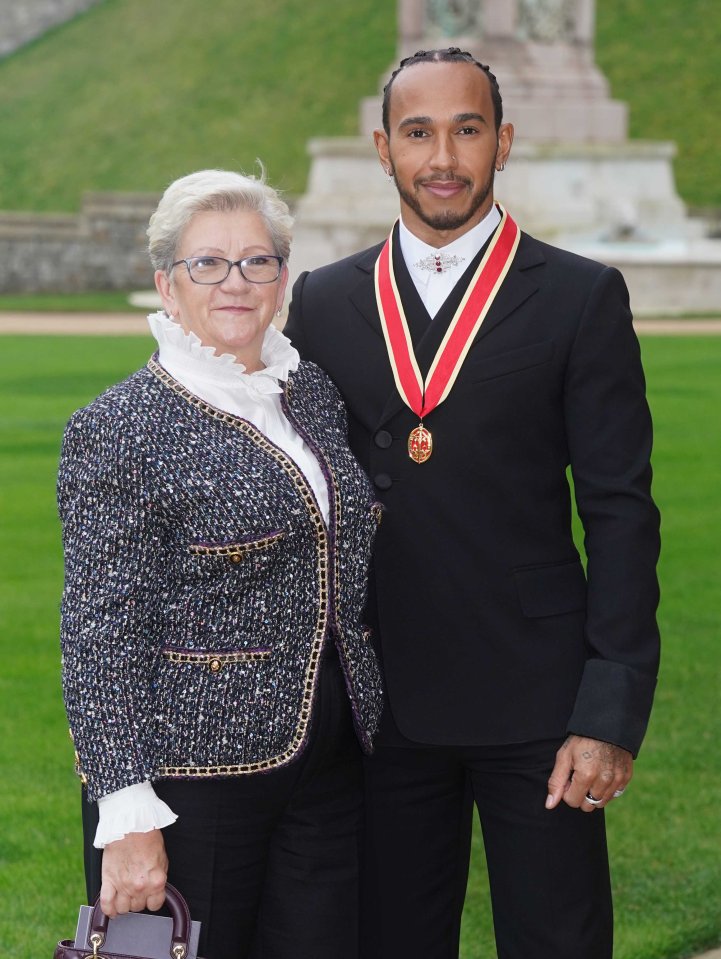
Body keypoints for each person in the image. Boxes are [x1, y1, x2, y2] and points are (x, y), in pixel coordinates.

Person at [284, 48, 660, 959]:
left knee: (557, 940)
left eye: (466, 129)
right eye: (418, 132)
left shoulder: (579, 296)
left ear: (503, 142)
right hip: (381, 700)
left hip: (539, 701)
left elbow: (620, 513)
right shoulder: (323, 301)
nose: (442, 155)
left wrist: (606, 713)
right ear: (383, 149)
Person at [58, 168, 383, 959]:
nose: (235, 281)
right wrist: (128, 815)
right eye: (207, 263)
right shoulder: (118, 428)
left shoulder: (308, 391)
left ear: (280, 276)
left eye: (256, 260)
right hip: (190, 782)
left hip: (330, 762)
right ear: (167, 285)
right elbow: (99, 633)